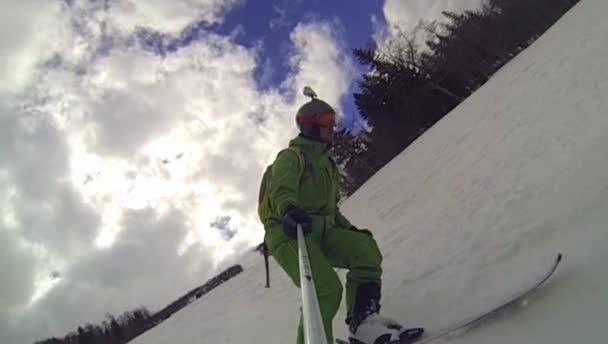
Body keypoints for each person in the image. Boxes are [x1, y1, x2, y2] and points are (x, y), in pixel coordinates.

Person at [261, 87, 424, 344]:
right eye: (327, 123)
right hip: (289, 232)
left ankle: (364, 323)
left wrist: (349, 230)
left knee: (366, 251)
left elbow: (331, 210)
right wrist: (289, 210)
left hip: (322, 230)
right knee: (324, 290)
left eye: (333, 123)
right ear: (310, 127)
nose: (332, 128)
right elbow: (281, 189)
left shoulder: (327, 165)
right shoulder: (291, 157)